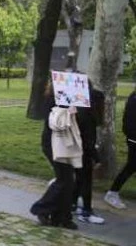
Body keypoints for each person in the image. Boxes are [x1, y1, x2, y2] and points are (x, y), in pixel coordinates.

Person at [30, 82, 83, 230]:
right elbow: (55, 123)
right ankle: (43, 209)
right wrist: (68, 111)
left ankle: (59, 216)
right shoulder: (54, 100)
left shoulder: (61, 99)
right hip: (55, 144)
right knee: (65, 180)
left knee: (67, 181)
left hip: (62, 144)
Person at [72, 84, 105, 224]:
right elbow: (88, 141)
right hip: (83, 152)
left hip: (76, 150)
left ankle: (73, 204)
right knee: (86, 180)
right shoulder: (89, 116)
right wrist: (96, 158)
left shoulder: (79, 111)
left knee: (79, 179)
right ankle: (86, 212)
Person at [105, 88, 136, 210]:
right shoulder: (134, 99)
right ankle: (112, 193)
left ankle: (113, 192)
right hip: (134, 139)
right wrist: (133, 137)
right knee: (131, 167)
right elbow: (129, 121)